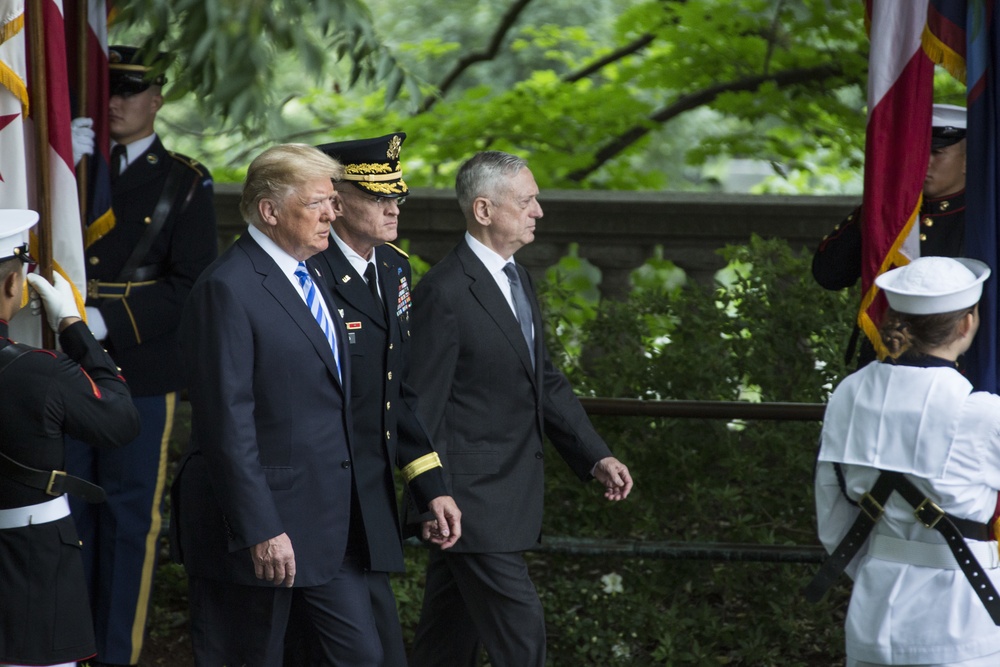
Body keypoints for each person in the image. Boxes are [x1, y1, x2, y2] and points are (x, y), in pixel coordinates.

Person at [406, 150, 635, 667]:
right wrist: (431, 496)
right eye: (527, 200)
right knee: (522, 637)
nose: (539, 211)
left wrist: (594, 455)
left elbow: (544, 381)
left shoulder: (517, 278)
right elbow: (420, 404)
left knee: (445, 642)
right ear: (484, 211)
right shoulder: (443, 292)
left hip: (501, 496)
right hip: (470, 502)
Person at [170, 143, 383, 666]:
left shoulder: (315, 274)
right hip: (256, 533)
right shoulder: (228, 287)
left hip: (328, 526)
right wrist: (260, 527)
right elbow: (226, 422)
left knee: (361, 656)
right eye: (318, 203)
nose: (333, 214)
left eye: (333, 201)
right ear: (269, 211)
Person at [65, 45, 218, 667]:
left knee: (130, 519)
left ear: (157, 98)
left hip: (140, 371)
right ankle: (63, 650)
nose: (116, 102)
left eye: (130, 91)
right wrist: (62, 169)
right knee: (64, 512)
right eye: (108, 90)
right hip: (63, 370)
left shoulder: (184, 179)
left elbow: (193, 285)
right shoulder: (63, 167)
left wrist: (105, 319)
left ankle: (116, 653)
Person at [292, 132, 460, 666]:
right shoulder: (306, 272)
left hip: (370, 497)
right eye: (378, 198)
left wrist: (430, 485)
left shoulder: (393, 268)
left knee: (383, 648)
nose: (393, 209)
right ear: (337, 203)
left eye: (397, 197)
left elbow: (396, 392)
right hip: (317, 498)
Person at [808, 255, 1000, 666]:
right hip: (961, 620)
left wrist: (884, 566)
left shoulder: (848, 393)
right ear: (967, 324)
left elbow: (832, 518)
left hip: (872, 612)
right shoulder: (983, 414)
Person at [0, 210, 139, 667]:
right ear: (11, 286)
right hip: (30, 560)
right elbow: (119, 422)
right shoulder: (41, 370)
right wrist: (74, 329)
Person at [812, 103, 967, 367]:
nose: (923, 161)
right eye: (918, 151)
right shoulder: (891, 212)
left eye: (937, 152)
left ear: (969, 161)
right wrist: (874, 211)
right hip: (884, 363)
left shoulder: (982, 218)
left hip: (961, 368)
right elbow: (829, 274)